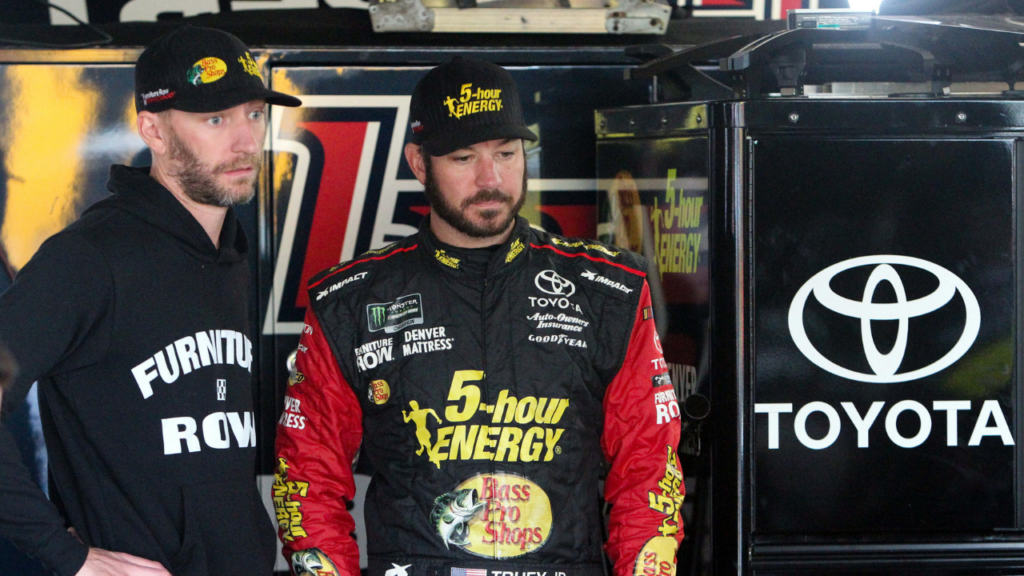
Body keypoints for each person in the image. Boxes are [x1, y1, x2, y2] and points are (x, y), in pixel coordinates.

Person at [275, 56, 684, 576]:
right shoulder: (350, 301)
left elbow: (647, 467)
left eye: (507, 153)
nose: (491, 178)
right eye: (464, 158)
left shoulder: (608, 291)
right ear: (419, 163)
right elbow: (308, 477)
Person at [0, 26, 301, 576]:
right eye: (215, 119)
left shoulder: (231, 253)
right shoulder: (89, 258)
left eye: (254, 114)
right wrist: (67, 555)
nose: (245, 141)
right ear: (153, 132)